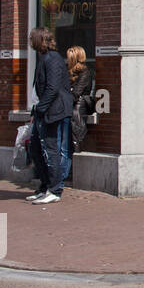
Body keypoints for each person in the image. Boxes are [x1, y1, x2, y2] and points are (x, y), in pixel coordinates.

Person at [27, 28, 74, 204]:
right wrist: (35, 110)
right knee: (36, 149)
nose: (30, 41)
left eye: (32, 38)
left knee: (50, 150)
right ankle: (45, 186)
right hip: (43, 111)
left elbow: (53, 88)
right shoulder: (43, 58)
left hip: (53, 112)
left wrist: (41, 109)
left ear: (39, 40)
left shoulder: (52, 59)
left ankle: (54, 189)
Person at [66, 46, 96, 185]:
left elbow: (75, 93)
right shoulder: (69, 72)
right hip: (69, 106)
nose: (67, 60)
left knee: (74, 135)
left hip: (77, 108)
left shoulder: (85, 72)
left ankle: (71, 170)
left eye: (69, 57)